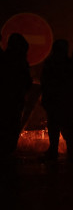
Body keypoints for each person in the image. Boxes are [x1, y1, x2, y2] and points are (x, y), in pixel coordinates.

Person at [0, 33, 33, 161]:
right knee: (10, 124)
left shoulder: (5, 58)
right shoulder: (18, 62)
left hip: (10, 99)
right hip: (13, 100)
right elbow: (25, 81)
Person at [40, 40, 73, 161]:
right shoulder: (68, 63)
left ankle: (54, 150)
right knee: (65, 127)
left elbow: (45, 82)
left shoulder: (50, 63)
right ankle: (70, 151)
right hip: (63, 100)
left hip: (54, 99)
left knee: (55, 126)